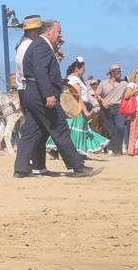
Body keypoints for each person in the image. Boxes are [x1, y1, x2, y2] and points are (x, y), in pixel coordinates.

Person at [14, 19, 102, 178]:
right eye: (59, 32)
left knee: (31, 132)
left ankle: (20, 168)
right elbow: (40, 71)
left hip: (32, 93)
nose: (60, 35)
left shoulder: (38, 45)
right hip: (41, 94)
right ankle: (77, 166)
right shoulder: (41, 46)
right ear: (49, 32)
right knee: (60, 128)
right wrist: (48, 93)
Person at [52, 59, 109, 155]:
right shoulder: (75, 79)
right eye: (83, 69)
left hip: (71, 108)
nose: (84, 71)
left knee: (70, 130)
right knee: (77, 130)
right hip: (77, 108)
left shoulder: (70, 78)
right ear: (77, 69)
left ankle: (60, 150)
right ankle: (76, 152)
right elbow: (78, 97)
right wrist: (85, 110)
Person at [14, 15, 47, 173]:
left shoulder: (24, 45)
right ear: (34, 31)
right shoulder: (28, 46)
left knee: (36, 127)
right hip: (30, 87)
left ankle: (36, 164)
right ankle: (33, 163)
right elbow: (30, 70)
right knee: (35, 128)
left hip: (26, 88)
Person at [96, 64, 132, 156]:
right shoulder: (103, 83)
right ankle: (114, 149)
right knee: (111, 130)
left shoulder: (124, 83)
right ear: (112, 73)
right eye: (118, 72)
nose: (120, 73)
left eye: (120, 71)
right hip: (106, 108)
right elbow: (97, 95)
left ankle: (118, 150)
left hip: (119, 107)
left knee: (120, 127)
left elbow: (130, 91)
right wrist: (103, 101)